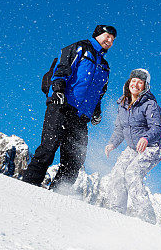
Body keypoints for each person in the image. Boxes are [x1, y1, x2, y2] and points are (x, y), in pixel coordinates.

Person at [22, 25, 117, 191]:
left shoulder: (105, 66)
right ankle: (27, 188)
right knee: (48, 149)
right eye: (107, 36)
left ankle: (58, 195)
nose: (109, 41)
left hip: (80, 117)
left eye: (112, 39)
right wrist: (57, 90)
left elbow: (99, 92)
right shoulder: (80, 47)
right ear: (97, 35)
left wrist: (96, 111)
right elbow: (62, 68)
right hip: (61, 106)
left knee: (75, 160)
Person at [104, 68, 161, 223]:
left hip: (152, 147)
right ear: (129, 82)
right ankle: (117, 212)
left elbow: (157, 129)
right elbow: (120, 129)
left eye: (140, 82)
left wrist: (146, 138)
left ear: (145, 86)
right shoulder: (122, 104)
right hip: (132, 148)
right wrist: (112, 144)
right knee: (118, 173)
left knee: (132, 173)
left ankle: (146, 218)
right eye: (134, 80)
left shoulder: (150, 104)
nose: (136, 84)